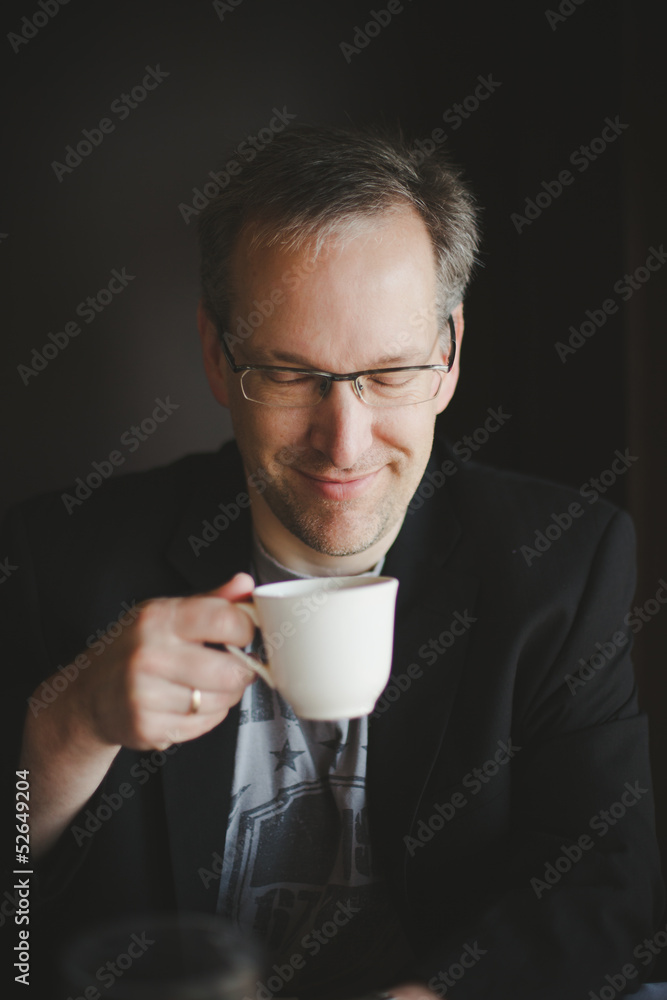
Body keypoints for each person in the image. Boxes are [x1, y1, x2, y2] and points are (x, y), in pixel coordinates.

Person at [2, 123, 663, 999]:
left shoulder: (561, 564)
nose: (343, 443)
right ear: (215, 354)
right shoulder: (63, 559)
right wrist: (66, 731)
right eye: (288, 373)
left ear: (449, 355)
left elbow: (610, 894)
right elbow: (11, 937)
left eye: (389, 372)